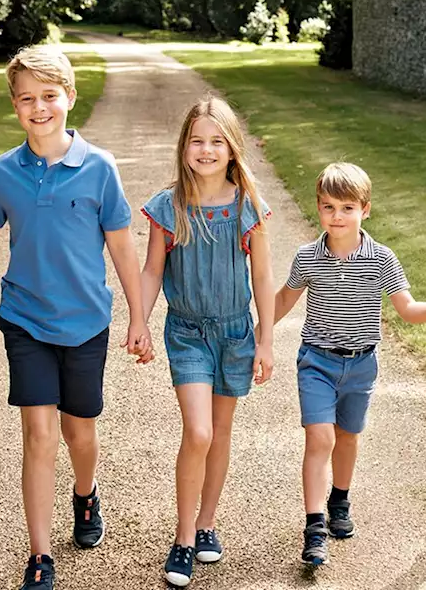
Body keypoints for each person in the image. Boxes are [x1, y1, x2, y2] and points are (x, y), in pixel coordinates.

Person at [0, 45, 152, 590]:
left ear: (69, 98)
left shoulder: (99, 168)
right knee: (39, 433)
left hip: (85, 323)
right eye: (27, 99)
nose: (39, 107)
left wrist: (138, 318)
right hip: (24, 319)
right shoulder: (3, 172)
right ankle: (40, 556)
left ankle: (86, 493)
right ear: (15, 106)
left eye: (49, 96)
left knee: (79, 431)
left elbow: (123, 249)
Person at [271, 162, 426, 567]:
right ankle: (314, 526)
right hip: (316, 362)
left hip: (361, 366)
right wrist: (257, 334)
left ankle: (340, 500)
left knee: (348, 437)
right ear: (318, 209)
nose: (337, 216)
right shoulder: (308, 257)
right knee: (320, 438)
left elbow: (406, 309)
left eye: (347, 208)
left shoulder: (381, 259)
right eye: (328, 207)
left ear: (365, 210)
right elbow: (284, 299)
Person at [138, 96, 275, 588]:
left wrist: (265, 340)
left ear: (233, 148)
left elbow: (262, 275)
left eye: (217, 141)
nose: (206, 149)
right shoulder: (168, 206)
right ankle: (182, 537)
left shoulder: (247, 206)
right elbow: (153, 269)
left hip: (236, 333)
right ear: (184, 146)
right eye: (197, 140)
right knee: (197, 432)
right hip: (189, 332)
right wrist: (140, 319)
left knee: (219, 432)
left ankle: (207, 522)